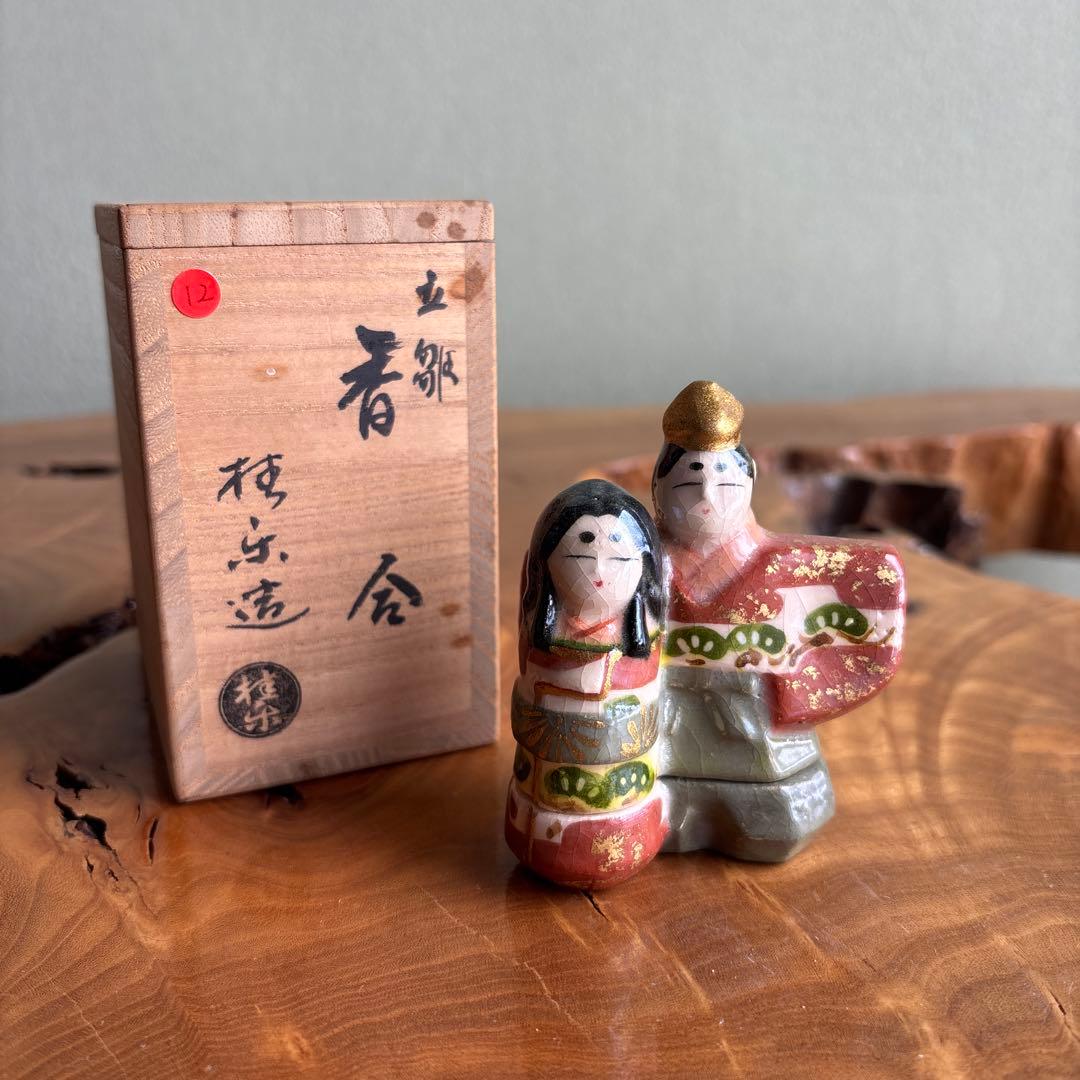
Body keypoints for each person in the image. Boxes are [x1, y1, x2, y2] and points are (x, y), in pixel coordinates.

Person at [652, 382, 906, 861]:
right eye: (689, 481)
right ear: (659, 488)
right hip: (667, 730)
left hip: (756, 728)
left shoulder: (784, 565)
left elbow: (869, 593)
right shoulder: (641, 564)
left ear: (748, 480)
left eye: (724, 481)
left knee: (771, 814)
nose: (707, 495)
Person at [505, 479, 668, 888]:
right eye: (583, 551)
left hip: (621, 776)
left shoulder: (644, 640)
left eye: (617, 555)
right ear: (547, 559)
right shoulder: (543, 636)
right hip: (545, 771)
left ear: (643, 566)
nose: (598, 570)